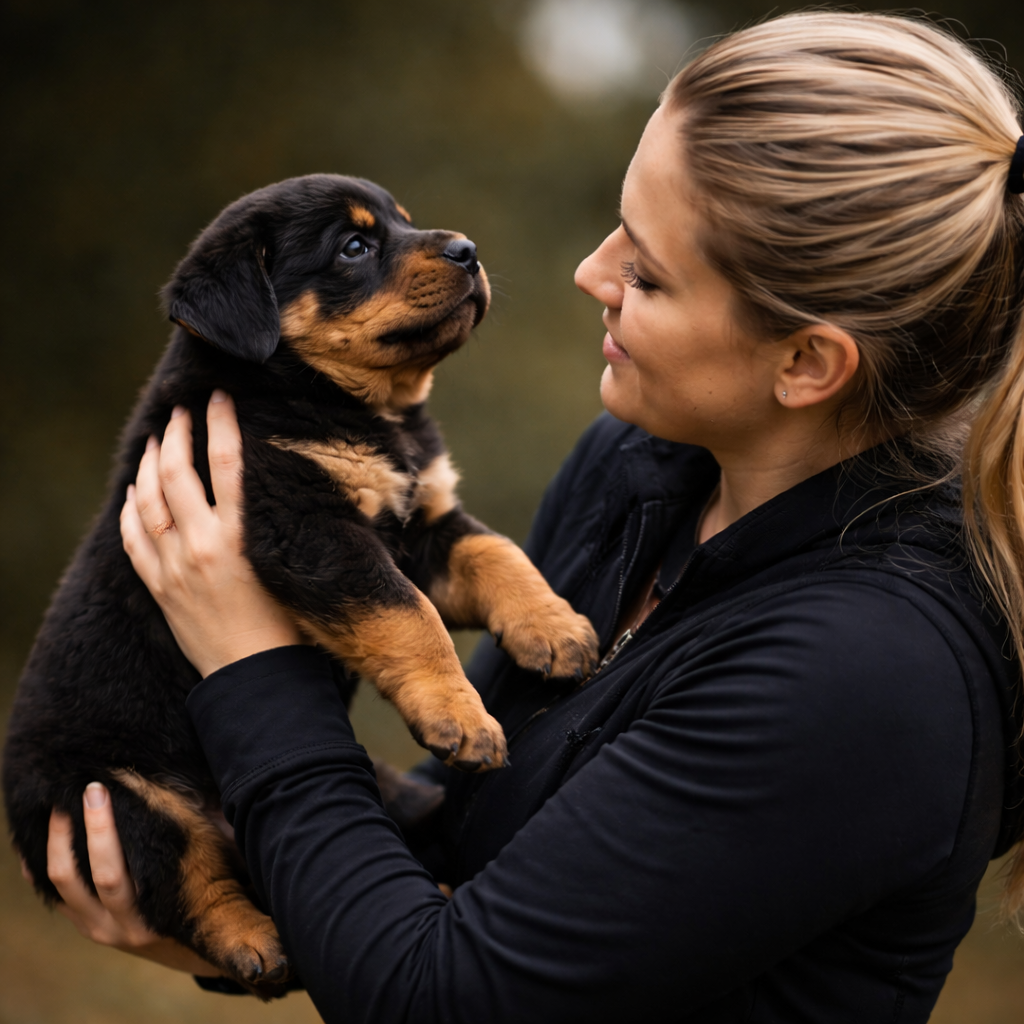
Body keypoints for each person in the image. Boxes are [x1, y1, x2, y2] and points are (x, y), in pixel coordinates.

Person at [34, 11, 1024, 1022]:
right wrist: (231, 905)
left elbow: (437, 998)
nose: (589, 274)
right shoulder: (642, 471)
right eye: (615, 227)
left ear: (806, 362)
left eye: (645, 272)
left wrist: (253, 671)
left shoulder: (867, 673)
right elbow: (465, 828)